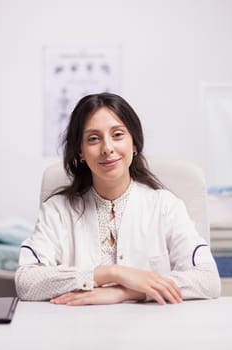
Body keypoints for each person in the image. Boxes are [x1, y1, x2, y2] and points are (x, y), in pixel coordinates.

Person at [15, 92, 221, 305]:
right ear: (81, 152)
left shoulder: (165, 206)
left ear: (134, 144)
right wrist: (112, 273)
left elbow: (208, 280)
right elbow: (26, 282)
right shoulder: (57, 210)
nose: (107, 148)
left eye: (118, 134)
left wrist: (127, 292)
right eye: (93, 139)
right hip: (77, 330)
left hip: (152, 330)